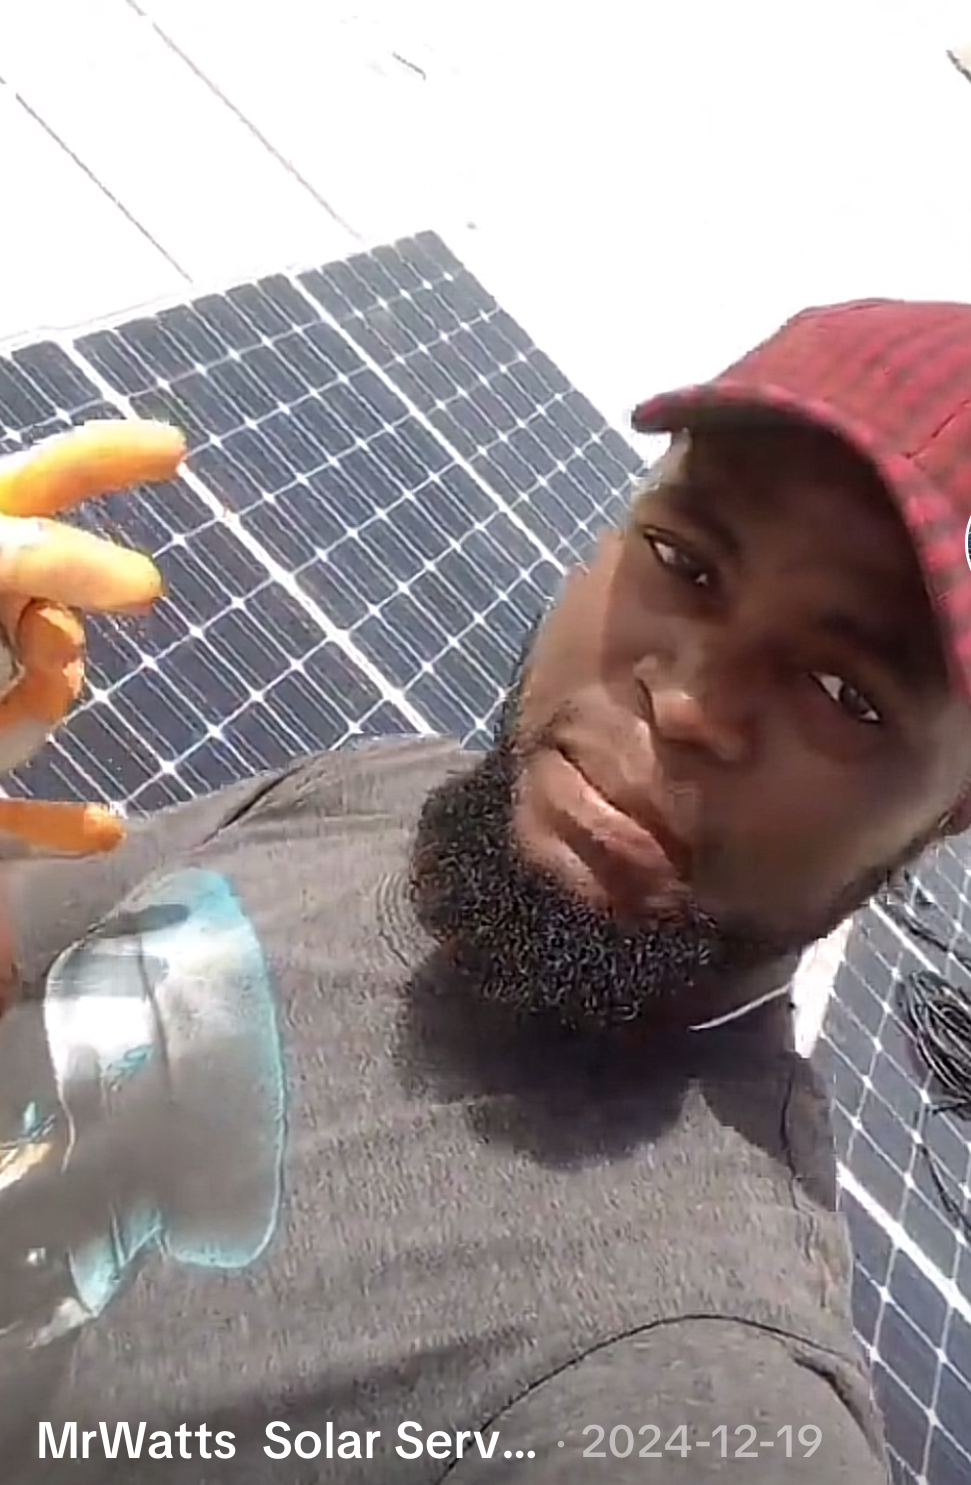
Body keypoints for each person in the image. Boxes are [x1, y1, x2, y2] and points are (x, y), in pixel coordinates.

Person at [3, 297, 970, 1485]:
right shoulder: (383, 789)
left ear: (950, 808)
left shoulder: (691, 1384)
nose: (689, 703)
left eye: (844, 692)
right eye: (684, 561)